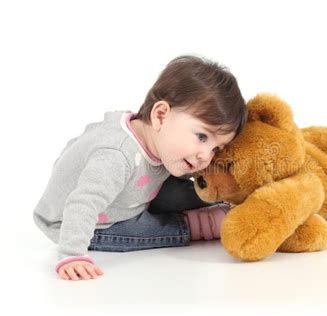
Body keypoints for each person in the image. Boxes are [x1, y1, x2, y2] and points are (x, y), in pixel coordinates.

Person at [33, 55, 247, 281]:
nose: (206, 155)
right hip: (79, 221)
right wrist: (72, 255)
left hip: (130, 192)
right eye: (202, 136)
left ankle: (226, 200)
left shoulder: (159, 140)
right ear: (160, 115)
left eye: (216, 148)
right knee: (146, 228)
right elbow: (82, 202)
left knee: (180, 187)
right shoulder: (117, 156)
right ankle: (200, 225)